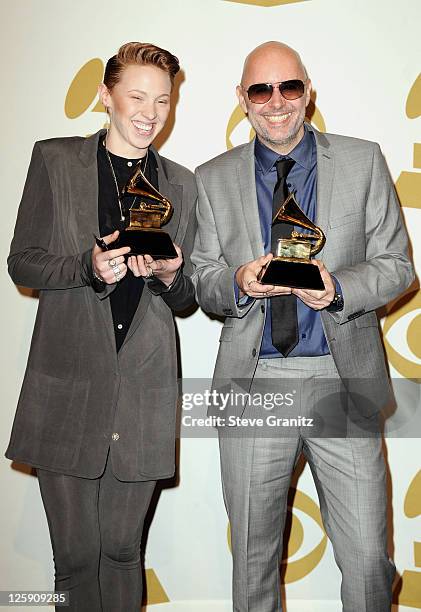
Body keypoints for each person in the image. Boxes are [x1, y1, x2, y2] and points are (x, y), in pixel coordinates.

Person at [191, 41, 414, 611]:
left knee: (368, 560)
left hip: (341, 380)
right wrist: (237, 282)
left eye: (289, 87)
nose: (276, 102)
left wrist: (338, 288)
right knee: (254, 563)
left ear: (308, 92)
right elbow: (202, 280)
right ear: (242, 100)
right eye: (260, 90)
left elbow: (397, 267)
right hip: (254, 380)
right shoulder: (211, 178)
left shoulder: (363, 160)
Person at [6, 42, 196, 611]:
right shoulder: (55, 159)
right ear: (104, 95)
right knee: (76, 559)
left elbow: (186, 299)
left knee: (121, 552)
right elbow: (22, 261)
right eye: (137, 96)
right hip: (67, 386)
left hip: (144, 391)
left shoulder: (182, 184)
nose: (150, 112)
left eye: (163, 100)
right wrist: (85, 267)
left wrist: (168, 273)